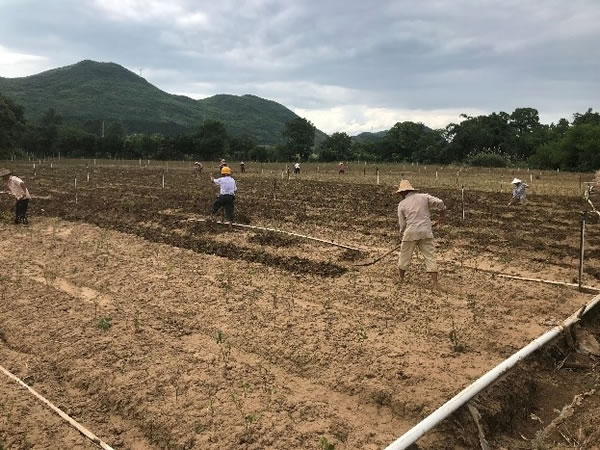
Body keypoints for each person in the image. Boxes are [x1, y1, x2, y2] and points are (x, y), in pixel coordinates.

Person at [396, 179, 446, 289]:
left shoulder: (402, 205)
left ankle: (401, 278)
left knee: (405, 255)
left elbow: (402, 224)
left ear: (403, 192)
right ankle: (435, 283)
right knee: (430, 256)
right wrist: (442, 216)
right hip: (426, 231)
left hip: (411, 232)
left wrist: (402, 233)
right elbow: (440, 203)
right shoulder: (424, 197)